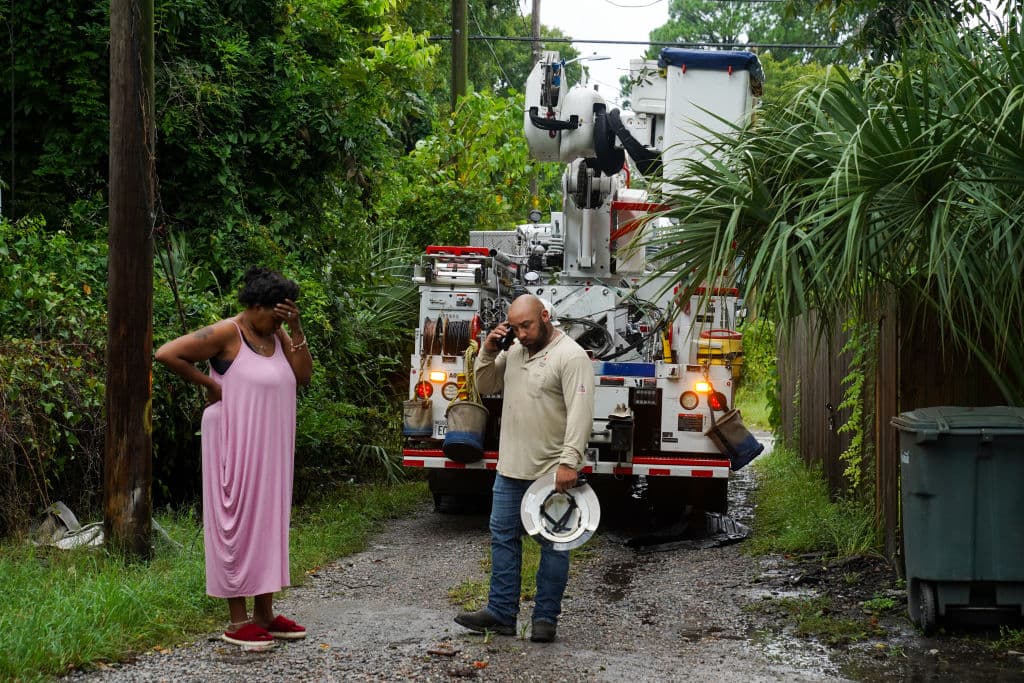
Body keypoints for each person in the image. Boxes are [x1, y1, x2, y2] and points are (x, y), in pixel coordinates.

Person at [155, 266, 312, 651]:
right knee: (235, 519)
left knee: (268, 522)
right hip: (234, 437)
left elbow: (303, 377)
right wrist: (211, 385)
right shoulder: (229, 332)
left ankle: (265, 614)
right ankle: (237, 620)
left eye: (284, 315)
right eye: (274, 314)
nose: (277, 322)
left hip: (272, 445)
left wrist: (296, 329)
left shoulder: (277, 336)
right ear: (255, 305)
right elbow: (167, 353)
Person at [454, 294, 594, 643]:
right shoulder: (514, 352)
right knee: (502, 538)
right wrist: (488, 349)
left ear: (545, 316)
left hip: (552, 472)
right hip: (510, 468)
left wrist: (569, 462)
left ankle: (545, 618)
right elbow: (486, 386)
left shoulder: (571, 356)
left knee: (554, 544)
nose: (521, 334)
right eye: (515, 327)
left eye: (527, 325)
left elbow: (580, 413)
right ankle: (501, 613)